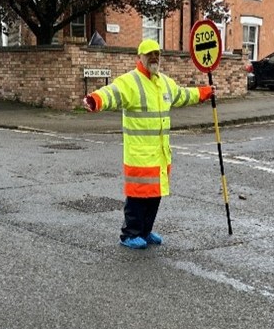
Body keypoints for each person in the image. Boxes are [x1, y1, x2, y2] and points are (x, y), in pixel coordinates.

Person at [83, 39, 214, 249]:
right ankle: (129, 234)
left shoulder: (163, 82)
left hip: (160, 154)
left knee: (154, 196)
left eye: (157, 54)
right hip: (140, 154)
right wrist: (95, 100)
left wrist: (203, 93)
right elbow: (113, 93)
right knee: (137, 196)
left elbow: (182, 94)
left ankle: (145, 230)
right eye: (149, 54)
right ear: (140, 58)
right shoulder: (130, 81)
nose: (154, 58)